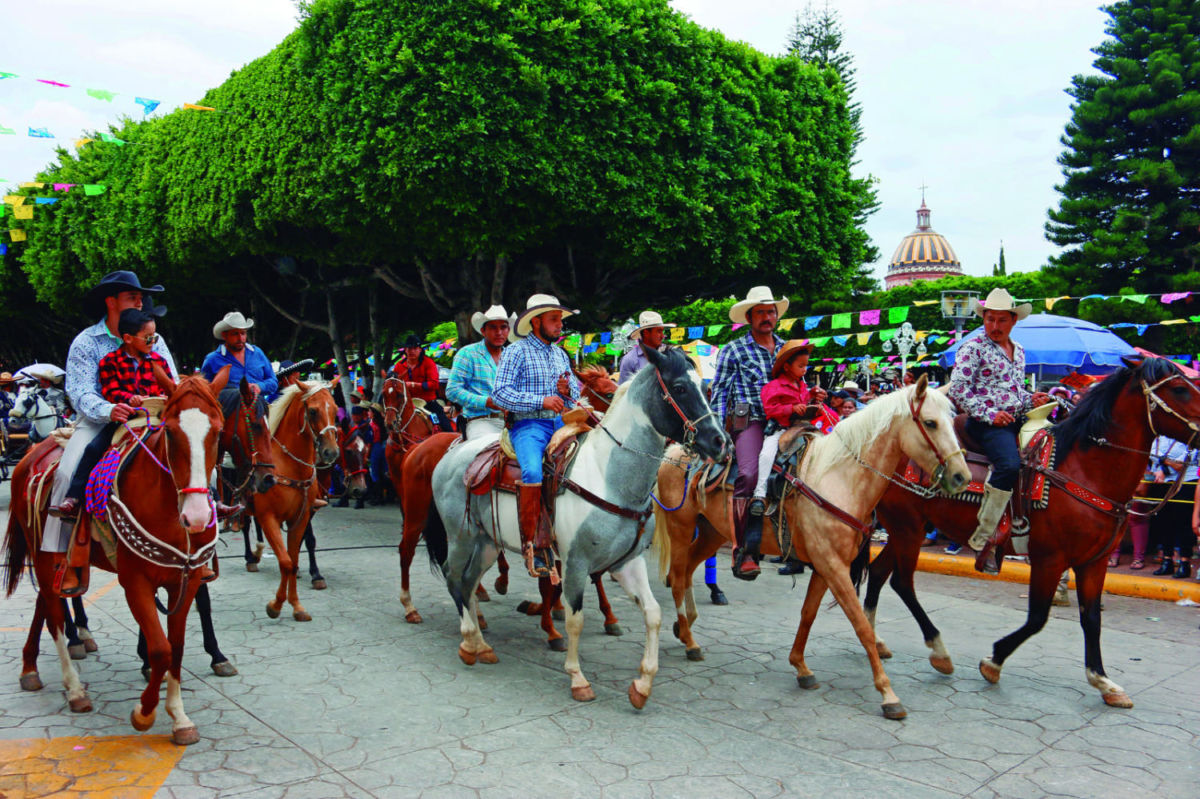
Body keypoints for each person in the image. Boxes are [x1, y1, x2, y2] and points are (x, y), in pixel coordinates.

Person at [43, 271, 183, 594]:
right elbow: (78, 392)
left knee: (197, 461)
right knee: (66, 473)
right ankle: (65, 558)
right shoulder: (87, 342)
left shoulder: (155, 339)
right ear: (111, 301)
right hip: (102, 420)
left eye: (140, 296)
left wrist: (168, 399)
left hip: (152, 418)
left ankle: (200, 546)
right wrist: (110, 409)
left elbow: (171, 379)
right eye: (132, 296)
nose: (140, 300)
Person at [949, 288, 1051, 567]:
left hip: (1017, 418)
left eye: (1001, 320)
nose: (994, 326)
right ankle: (986, 536)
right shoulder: (973, 348)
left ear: (1013, 321)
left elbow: (1014, 389)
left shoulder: (1018, 351)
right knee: (1008, 465)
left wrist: (1031, 399)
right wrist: (990, 414)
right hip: (985, 424)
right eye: (990, 319)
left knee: (1053, 453)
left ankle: (1032, 526)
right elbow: (958, 390)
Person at [490, 293, 581, 578]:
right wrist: (541, 401)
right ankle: (535, 544)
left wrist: (567, 393)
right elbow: (500, 393)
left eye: (560, 320)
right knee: (531, 472)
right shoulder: (516, 351)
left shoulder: (559, 354)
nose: (559, 326)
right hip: (528, 425)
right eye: (554, 320)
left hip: (561, 423)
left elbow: (575, 394)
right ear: (536, 321)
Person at [709, 286, 788, 580]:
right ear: (749, 317)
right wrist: (717, 432)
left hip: (787, 420)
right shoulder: (733, 350)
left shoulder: (787, 348)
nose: (767, 317)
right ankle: (743, 550)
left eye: (771, 312)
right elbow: (719, 393)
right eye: (761, 313)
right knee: (749, 475)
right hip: (752, 421)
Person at [752, 341, 836, 576]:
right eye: (801, 366)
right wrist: (792, 409)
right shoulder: (772, 386)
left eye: (806, 366)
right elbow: (770, 410)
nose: (805, 370)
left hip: (803, 429)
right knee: (766, 454)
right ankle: (759, 494)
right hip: (779, 430)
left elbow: (810, 403)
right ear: (787, 366)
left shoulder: (803, 385)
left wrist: (815, 399)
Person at [446, 304, 510, 440]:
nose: (499, 332)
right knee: (484, 448)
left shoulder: (512, 357)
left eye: (503, 327)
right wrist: (486, 401)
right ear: (483, 331)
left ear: (508, 330)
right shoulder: (468, 353)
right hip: (480, 421)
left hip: (513, 422)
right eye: (493, 327)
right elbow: (452, 390)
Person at [201, 312, 279, 402]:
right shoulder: (212, 359)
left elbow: (273, 381)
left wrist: (260, 386)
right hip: (227, 412)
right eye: (235, 334)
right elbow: (204, 392)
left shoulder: (257, 353)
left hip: (259, 409)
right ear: (224, 335)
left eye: (243, 333)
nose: (240, 338)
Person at [391, 335, 454, 432]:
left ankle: (452, 442)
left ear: (420, 349)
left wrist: (414, 385)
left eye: (415, 348)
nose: (411, 351)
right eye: (409, 348)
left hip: (427, 402)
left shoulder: (428, 363)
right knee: (389, 422)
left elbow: (434, 384)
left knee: (446, 427)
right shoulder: (399, 366)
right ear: (405, 350)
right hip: (407, 404)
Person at [619, 310, 674, 385]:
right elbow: (623, 392)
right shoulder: (629, 360)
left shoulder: (670, 354)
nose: (662, 336)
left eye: (662, 331)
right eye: (659, 331)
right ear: (646, 333)